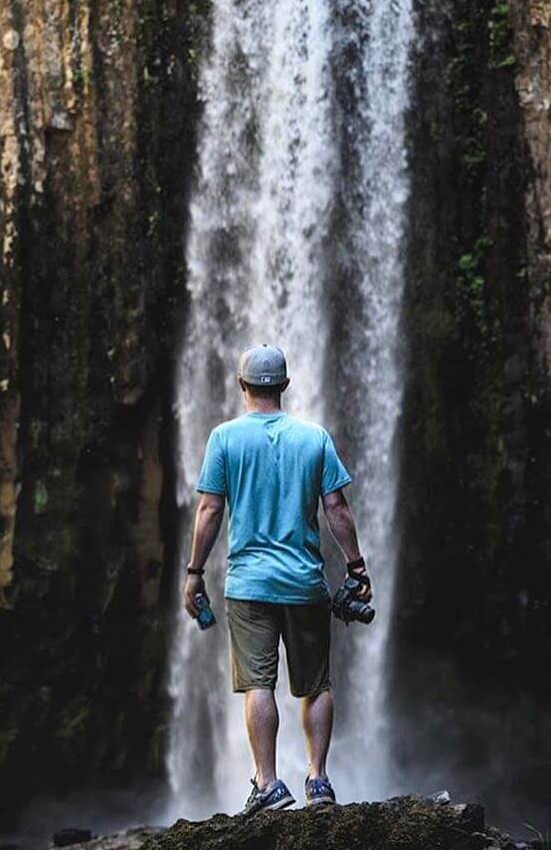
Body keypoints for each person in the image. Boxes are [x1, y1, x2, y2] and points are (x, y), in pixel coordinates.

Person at [182, 344, 372, 815]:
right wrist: (356, 566)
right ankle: (319, 780)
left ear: (242, 385)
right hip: (305, 582)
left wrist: (194, 572)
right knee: (316, 685)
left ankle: (267, 783)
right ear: (284, 386)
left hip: (248, 585)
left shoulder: (224, 438)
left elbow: (209, 509)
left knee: (258, 685)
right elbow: (337, 508)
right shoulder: (314, 438)